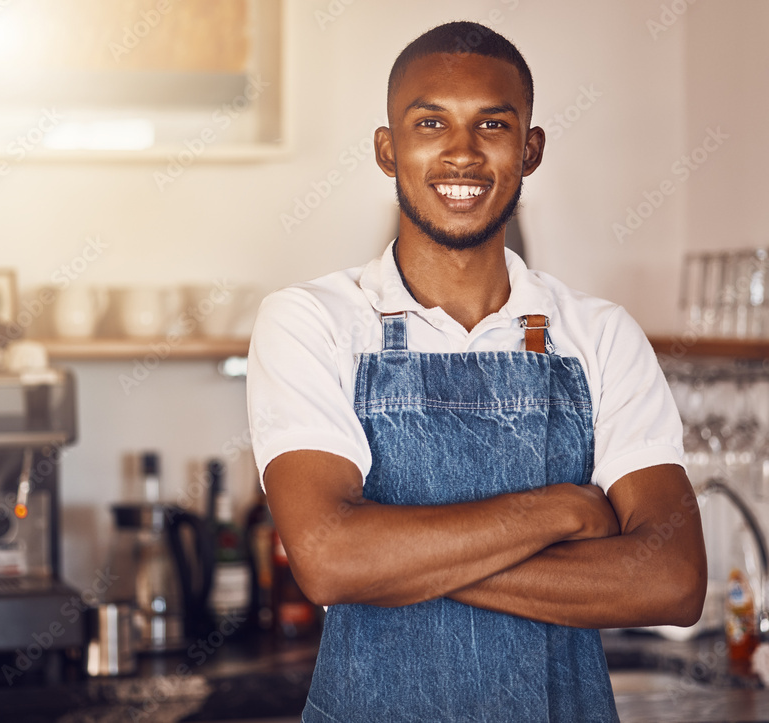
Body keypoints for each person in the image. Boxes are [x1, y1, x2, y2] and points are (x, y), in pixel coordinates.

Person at [246, 20, 707, 723]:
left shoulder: (599, 334)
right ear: (386, 147)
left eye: (492, 125)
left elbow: (672, 581)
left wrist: (400, 560)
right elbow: (329, 560)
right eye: (430, 122)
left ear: (530, 149)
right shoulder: (312, 321)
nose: (461, 153)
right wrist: (565, 510)